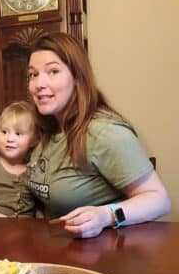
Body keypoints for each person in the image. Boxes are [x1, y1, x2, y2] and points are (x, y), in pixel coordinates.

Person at [26, 32, 170, 238]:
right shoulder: (48, 131)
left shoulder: (104, 132)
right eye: (33, 74)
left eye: (53, 71)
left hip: (105, 256)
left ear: (77, 78)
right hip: (58, 252)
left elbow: (159, 200)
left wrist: (105, 215)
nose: (38, 84)